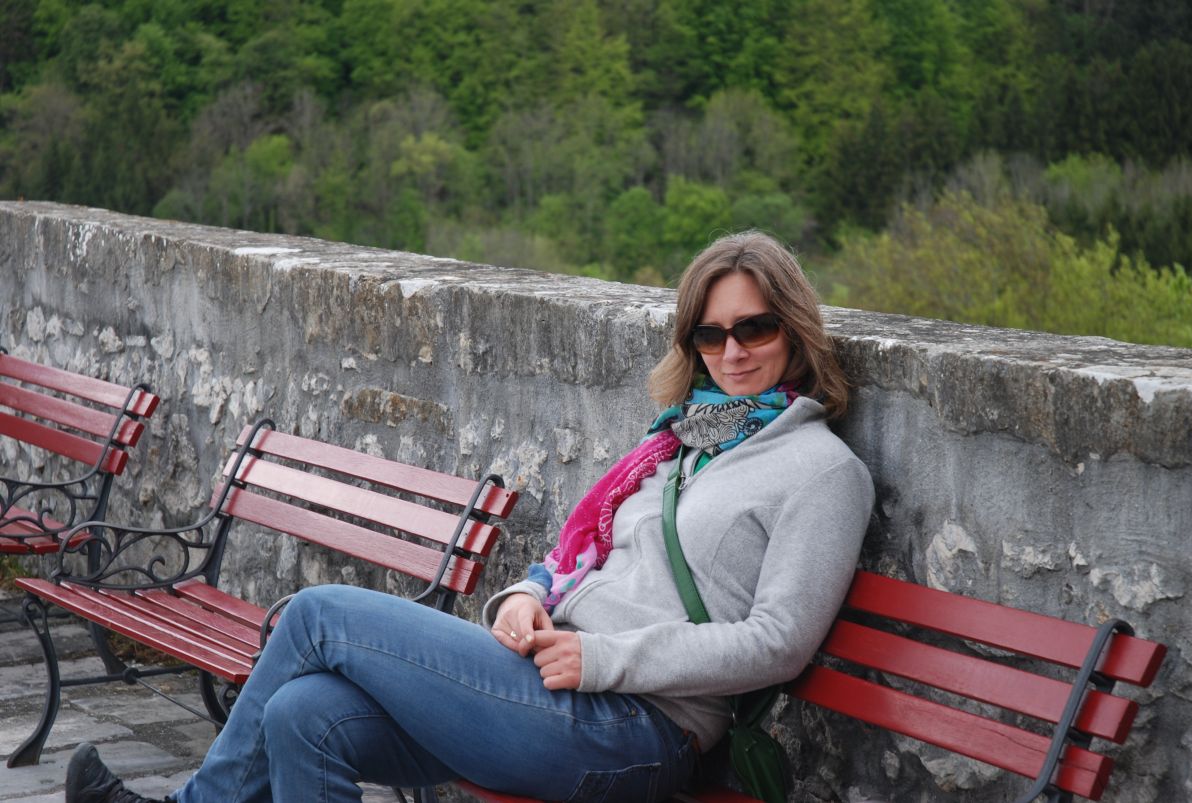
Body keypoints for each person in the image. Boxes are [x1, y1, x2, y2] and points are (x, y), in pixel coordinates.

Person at [64, 230, 874, 803]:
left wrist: (604, 658)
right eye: (711, 333)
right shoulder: (678, 441)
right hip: (549, 688)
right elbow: (581, 559)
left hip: (637, 729)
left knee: (315, 615)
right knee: (300, 715)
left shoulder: (822, 470)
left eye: (754, 327)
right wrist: (524, 596)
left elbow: (780, 641)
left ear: (793, 327)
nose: (732, 351)